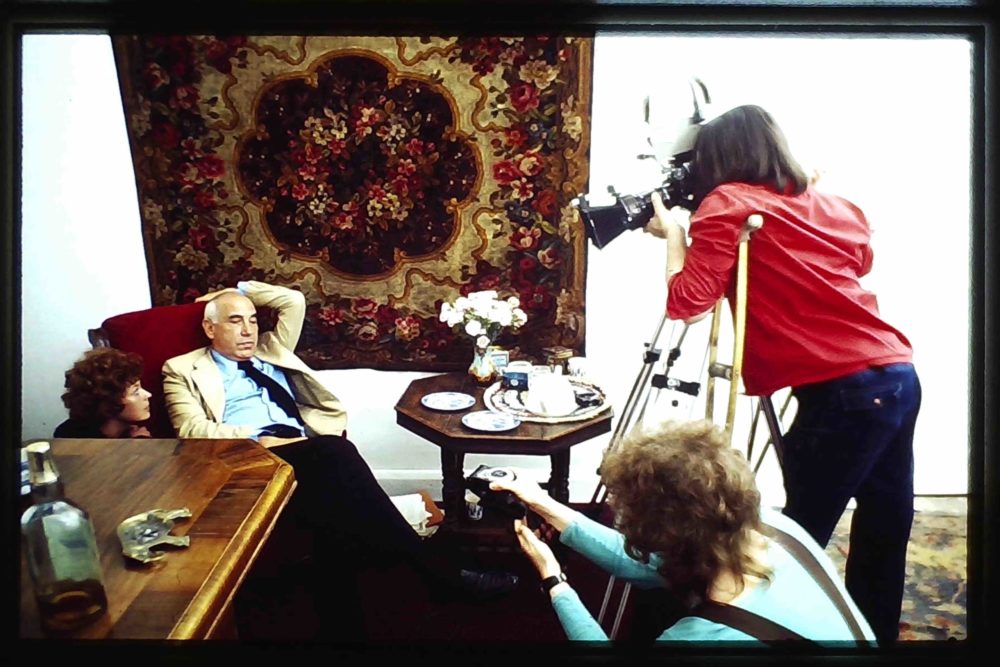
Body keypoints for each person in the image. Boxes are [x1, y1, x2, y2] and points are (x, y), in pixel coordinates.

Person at [643, 104, 921, 645]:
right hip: (897, 375)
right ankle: (873, 634)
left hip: (845, 391)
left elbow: (687, 303)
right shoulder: (835, 204)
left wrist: (675, 234)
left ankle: (769, 633)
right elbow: (859, 261)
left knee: (795, 536)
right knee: (886, 526)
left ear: (719, 159)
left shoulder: (728, 203)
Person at [160, 280, 519, 633]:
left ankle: (347, 626)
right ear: (209, 327)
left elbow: (291, 301)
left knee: (331, 511)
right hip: (251, 459)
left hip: (305, 453)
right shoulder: (181, 369)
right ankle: (439, 575)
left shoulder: (271, 348)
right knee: (337, 454)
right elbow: (191, 430)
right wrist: (259, 438)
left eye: (253, 319)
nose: (248, 330)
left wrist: (237, 290)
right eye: (235, 321)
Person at [491, 418, 876, 645]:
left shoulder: (702, 638)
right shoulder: (776, 527)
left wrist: (554, 583)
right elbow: (639, 566)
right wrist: (543, 503)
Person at [54, 348, 153, 438]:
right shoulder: (69, 437)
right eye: (135, 392)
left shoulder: (134, 432)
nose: (148, 395)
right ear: (108, 401)